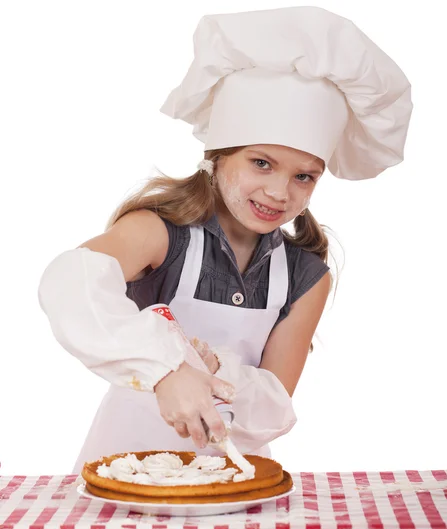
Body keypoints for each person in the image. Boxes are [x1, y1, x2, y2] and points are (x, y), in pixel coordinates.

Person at [38, 6, 412, 474]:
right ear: (219, 156)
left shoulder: (305, 276)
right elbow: (70, 279)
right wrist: (167, 371)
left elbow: (273, 408)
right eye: (261, 163)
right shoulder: (158, 233)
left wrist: (214, 374)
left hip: (232, 474)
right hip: (122, 468)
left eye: (304, 176)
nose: (280, 192)